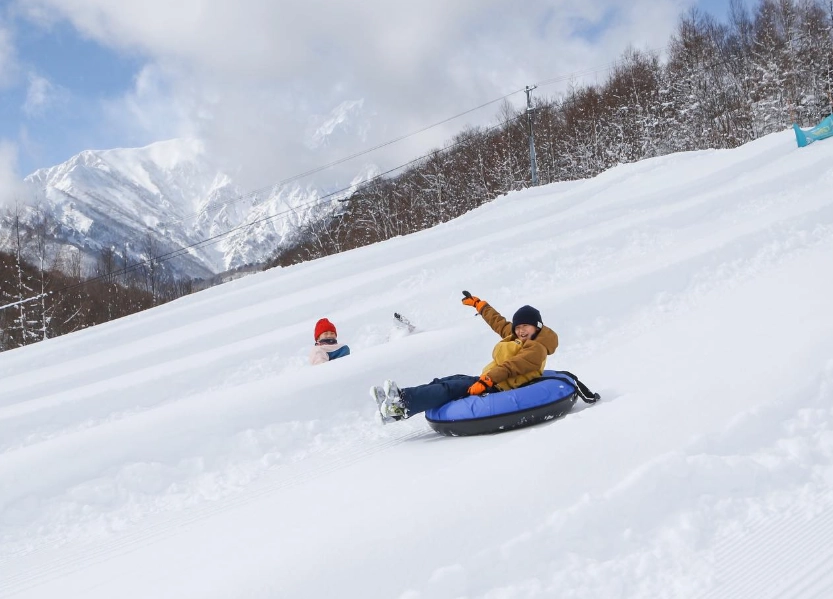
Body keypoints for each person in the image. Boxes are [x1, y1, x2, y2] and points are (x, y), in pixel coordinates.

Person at [370, 291, 558, 422]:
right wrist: (480, 305)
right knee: (447, 380)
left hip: (499, 388)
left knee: (449, 388)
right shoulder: (517, 337)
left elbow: (512, 366)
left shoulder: (537, 349)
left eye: (525, 326)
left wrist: (486, 381)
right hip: (490, 381)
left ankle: (402, 405)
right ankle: (398, 397)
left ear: (537, 327)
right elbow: (499, 323)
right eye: (518, 327)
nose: (521, 330)